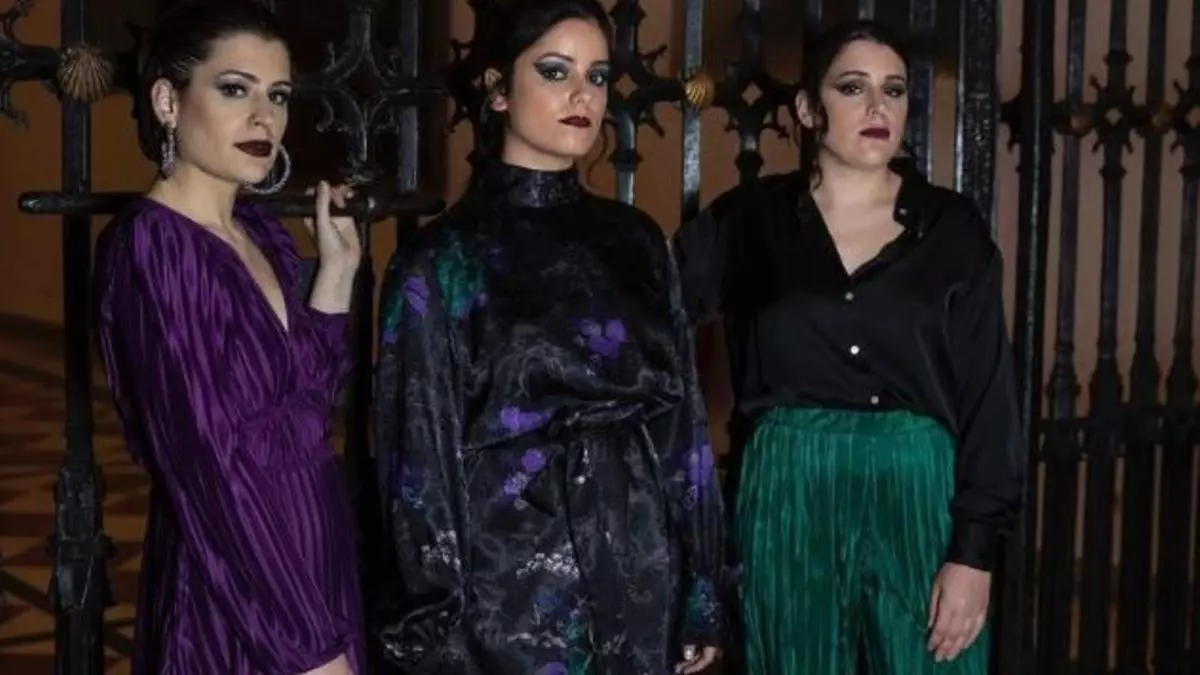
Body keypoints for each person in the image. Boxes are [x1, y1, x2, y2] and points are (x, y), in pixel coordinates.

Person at [372, 1, 731, 673]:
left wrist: (702, 585)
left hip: (639, 566)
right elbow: (416, 460)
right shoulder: (441, 260)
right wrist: (435, 626)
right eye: (555, 71)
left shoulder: (638, 241)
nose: (582, 95)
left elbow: (682, 423)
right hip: (506, 590)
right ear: (499, 90)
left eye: (597, 77)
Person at [671, 19, 1025, 675]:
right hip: (789, 487)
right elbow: (647, 323)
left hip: (918, 488)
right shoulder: (748, 220)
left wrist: (973, 553)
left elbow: (990, 399)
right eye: (853, 87)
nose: (877, 107)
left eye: (893, 90)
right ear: (809, 109)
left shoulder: (953, 229)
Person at [93, 1, 365, 673]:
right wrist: (308, 646)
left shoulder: (262, 234)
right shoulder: (153, 248)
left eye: (279, 95)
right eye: (236, 89)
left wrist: (335, 278)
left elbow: (307, 411)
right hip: (239, 591)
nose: (265, 117)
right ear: (167, 100)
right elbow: (208, 466)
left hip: (314, 559)